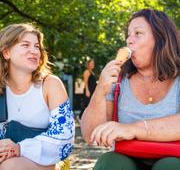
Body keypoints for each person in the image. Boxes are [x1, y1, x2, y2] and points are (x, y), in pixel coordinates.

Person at [81, 9, 180, 170]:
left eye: (138, 33)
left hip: (173, 156)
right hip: (127, 156)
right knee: (110, 163)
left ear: (160, 39)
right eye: (128, 35)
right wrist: (100, 91)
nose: (129, 41)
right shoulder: (118, 79)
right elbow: (90, 135)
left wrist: (132, 129)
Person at [0, 23, 75, 170]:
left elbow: (66, 136)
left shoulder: (50, 84)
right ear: (6, 52)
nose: (34, 51)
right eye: (25, 45)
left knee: (10, 166)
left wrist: (20, 148)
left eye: (36, 46)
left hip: (44, 164)